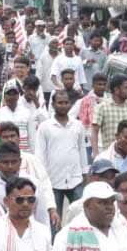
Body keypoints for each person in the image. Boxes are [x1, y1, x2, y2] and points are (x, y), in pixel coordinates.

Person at [34, 89, 87, 217]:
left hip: (75, 179)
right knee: (54, 220)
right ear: (53, 105)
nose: (63, 105)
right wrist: (41, 177)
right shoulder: (45, 127)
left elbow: (81, 149)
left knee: (81, 216)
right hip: (53, 180)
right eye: (60, 103)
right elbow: (40, 153)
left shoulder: (78, 125)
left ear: (70, 104)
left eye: (66, 102)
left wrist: (85, 172)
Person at [91, 74, 127, 153]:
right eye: (126, 88)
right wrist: (96, 154)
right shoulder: (102, 107)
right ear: (116, 90)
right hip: (109, 155)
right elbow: (94, 132)